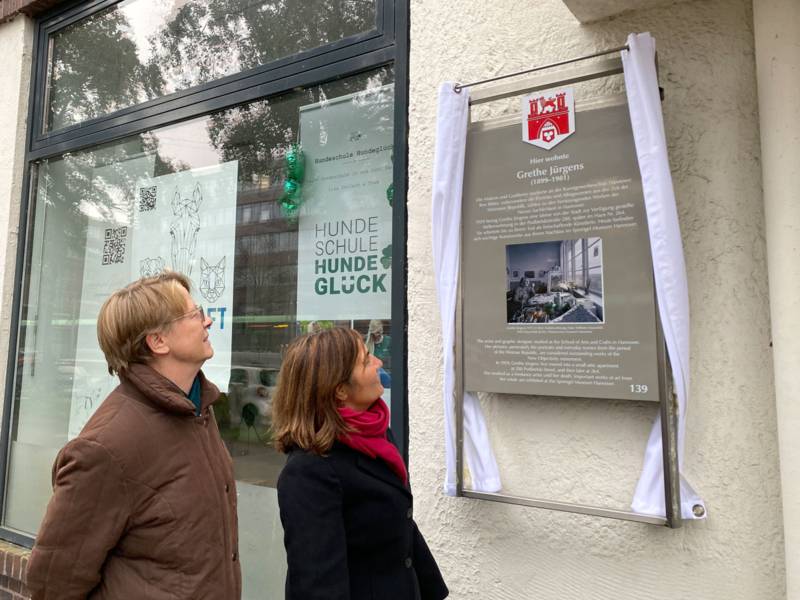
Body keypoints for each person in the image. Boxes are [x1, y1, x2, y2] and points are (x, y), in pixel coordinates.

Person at [26, 271, 241, 600]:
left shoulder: (199, 409)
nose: (208, 321)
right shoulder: (106, 447)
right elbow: (52, 584)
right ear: (158, 341)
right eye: (195, 314)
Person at [273, 327, 448, 600]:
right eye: (366, 360)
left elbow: (400, 521)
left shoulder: (374, 434)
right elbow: (318, 585)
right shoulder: (309, 473)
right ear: (340, 390)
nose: (378, 362)